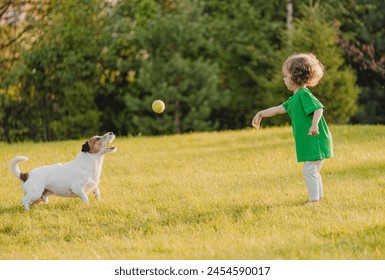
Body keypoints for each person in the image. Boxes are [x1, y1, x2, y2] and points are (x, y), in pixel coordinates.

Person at [251, 53, 333, 205]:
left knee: (309, 170)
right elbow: (277, 109)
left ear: (295, 78)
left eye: (286, 76)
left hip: (316, 139)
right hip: (311, 141)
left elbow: (318, 108)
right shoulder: (294, 99)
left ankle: (314, 200)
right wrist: (261, 114)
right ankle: (319, 197)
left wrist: (314, 124)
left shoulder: (303, 94)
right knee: (312, 170)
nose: (284, 79)